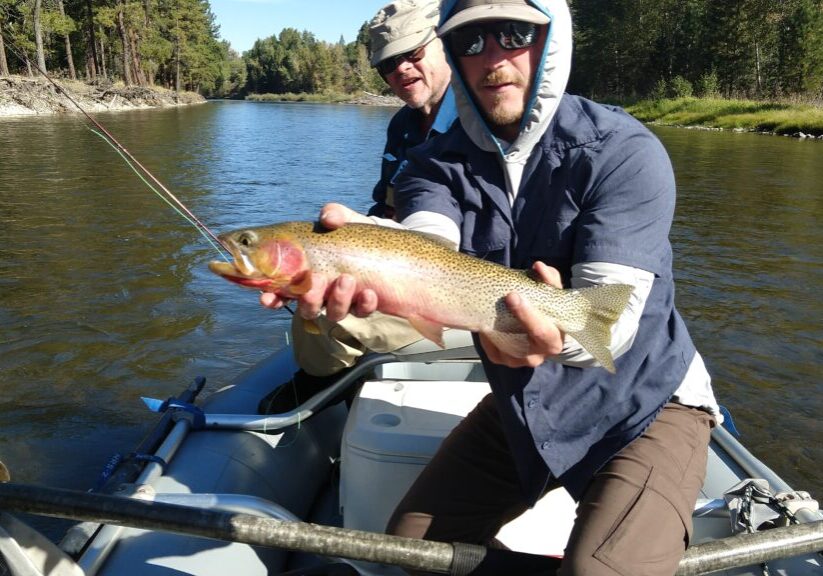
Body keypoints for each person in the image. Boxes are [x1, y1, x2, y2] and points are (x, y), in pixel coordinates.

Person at [264, 1, 721, 574]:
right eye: (472, 42)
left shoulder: (624, 151)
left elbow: (612, 327)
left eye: (513, 34)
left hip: (643, 403)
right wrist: (372, 252)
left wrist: (551, 337)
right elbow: (429, 243)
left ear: (551, 40)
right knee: (418, 553)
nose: (493, 58)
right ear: (455, 54)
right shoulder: (429, 165)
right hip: (523, 401)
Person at [287, 0, 458, 378]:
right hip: (401, 268)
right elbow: (385, 209)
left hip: (456, 288)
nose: (400, 69)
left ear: (445, 43)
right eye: (386, 64)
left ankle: (317, 394)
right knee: (312, 294)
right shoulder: (403, 125)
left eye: (412, 52)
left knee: (329, 319)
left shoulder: (481, 120)